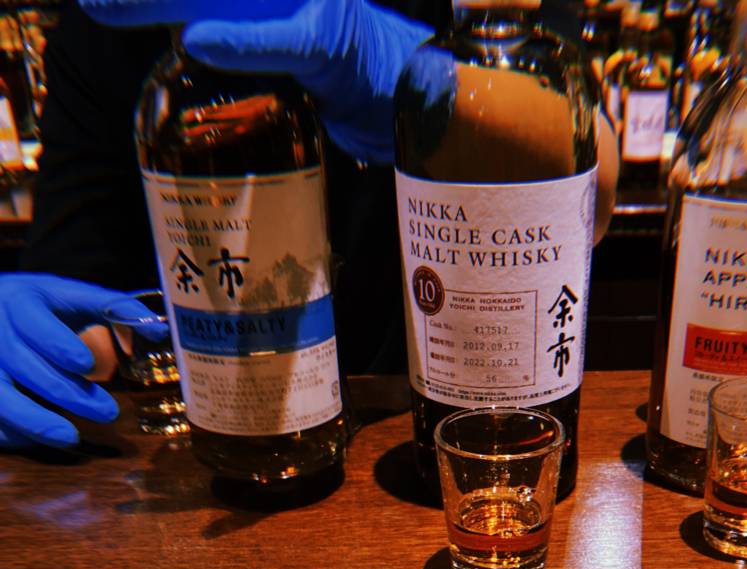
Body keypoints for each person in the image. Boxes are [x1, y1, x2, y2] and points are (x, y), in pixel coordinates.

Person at [0, 0, 616, 451]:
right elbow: (81, 307)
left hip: (423, 418)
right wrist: (35, 338)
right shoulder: (116, 23)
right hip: (212, 431)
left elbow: (596, 183)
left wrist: (429, 81)